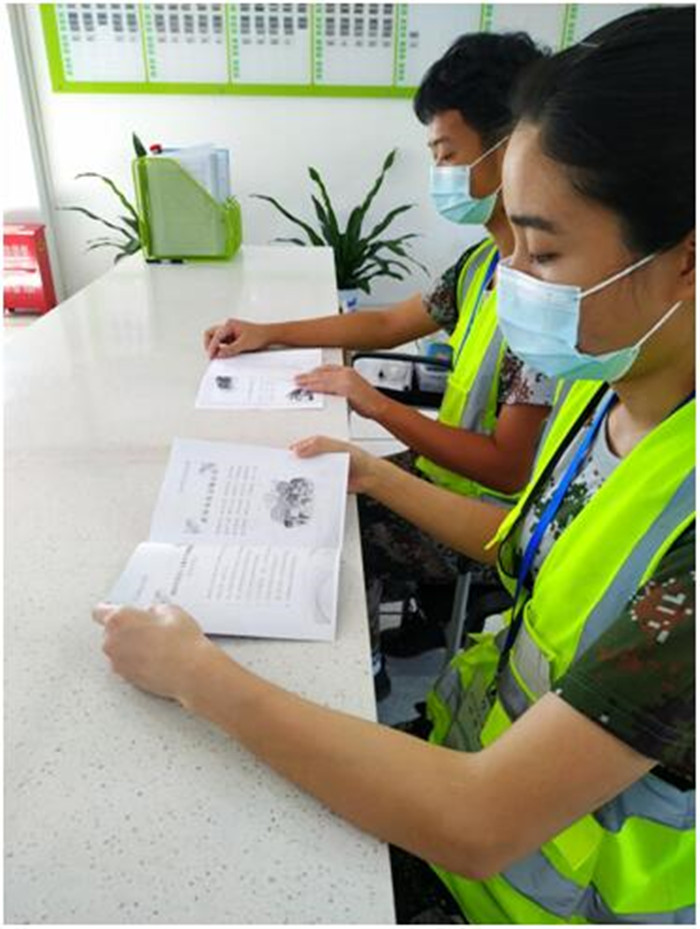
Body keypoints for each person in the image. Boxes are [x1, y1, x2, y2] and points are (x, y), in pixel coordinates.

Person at [96, 6, 695, 923]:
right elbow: (523, 542)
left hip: (522, 891)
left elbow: (479, 820)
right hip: (468, 764)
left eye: (542, 250)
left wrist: (194, 674)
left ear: (685, 262)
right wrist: (374, 473)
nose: (512, 272)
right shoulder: (608, 391)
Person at [205, 33, 557, 689]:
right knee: (306, 479)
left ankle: (355, 677)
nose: (441, 173)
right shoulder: (482, 264)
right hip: (440, 476)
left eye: (447, 154)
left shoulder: (543, 302)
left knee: (325, 521)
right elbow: (388, 322)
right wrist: (268, 333)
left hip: (480, 517)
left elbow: (507, 469)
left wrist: (375, 404)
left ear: (512, 149)